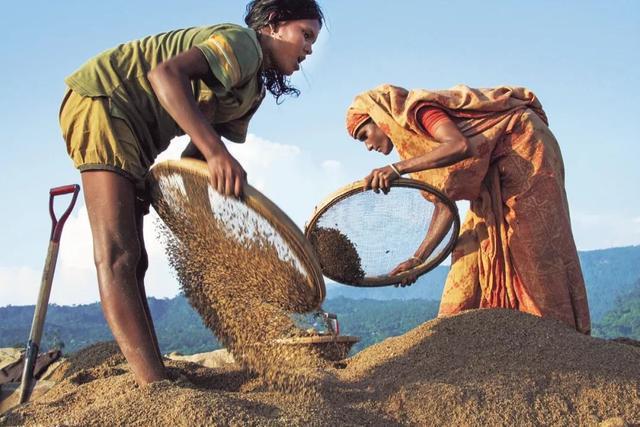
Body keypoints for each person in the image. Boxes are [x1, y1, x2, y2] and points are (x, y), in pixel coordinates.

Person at [58, 0, 324, 385]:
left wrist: (203, 228)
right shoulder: (244, 44)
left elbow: (195, 161)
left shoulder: (252, 93)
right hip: (105, 103)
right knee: (118, 254)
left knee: (138, 260)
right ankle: (155, 386)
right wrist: (219, 154)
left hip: (137, 136)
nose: (310, 49)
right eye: (306, 35)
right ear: (274, 25)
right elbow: (165, 76)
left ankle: (154, 375)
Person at [345, 84, 590, 334]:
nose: (368, 146)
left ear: (380, 118)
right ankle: (480, 341)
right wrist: (417, 259)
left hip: (526, 147)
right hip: (491, 169)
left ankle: (555, 338)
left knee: (532, 246)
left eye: (364, 134)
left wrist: (397, 169)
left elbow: (460, 146)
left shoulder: (418, 111)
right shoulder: (418, 145)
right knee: (473, 247)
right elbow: (445, 202)